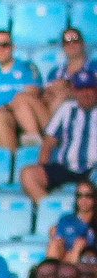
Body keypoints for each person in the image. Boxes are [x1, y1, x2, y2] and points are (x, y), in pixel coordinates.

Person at [21, 72, 97, 206]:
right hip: (65, 167)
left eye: (89, 89)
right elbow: (49, 143)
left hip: (93, 169)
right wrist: (43, 167)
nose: (85, 94)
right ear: (74, 91)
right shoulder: (67, 109)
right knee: (29, 175)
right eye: (81, 89)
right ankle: (50, 210)